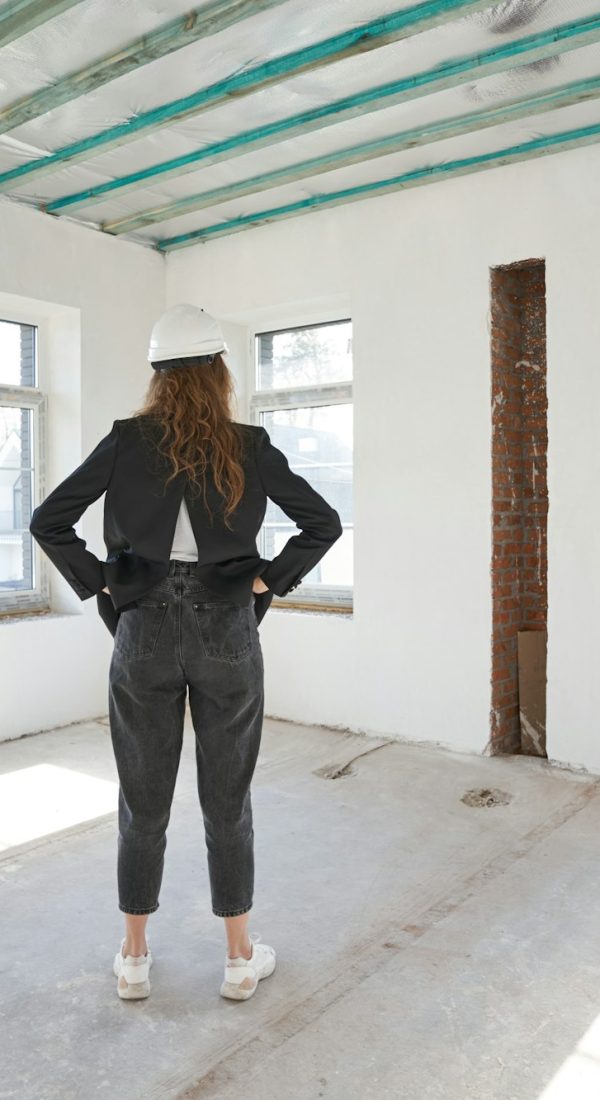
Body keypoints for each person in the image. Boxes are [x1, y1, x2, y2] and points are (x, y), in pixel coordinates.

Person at [29, 304, 343, 1002]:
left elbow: (47, 520)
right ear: (218, 373)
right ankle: (237, 958)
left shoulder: (125, 442)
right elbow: (323, 523)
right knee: (226, 801)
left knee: (142, 802)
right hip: (226, 630)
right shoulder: (249, 445)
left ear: (158, 377)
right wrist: (262, 582)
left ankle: (134, 956)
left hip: (142, 631)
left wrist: (106, 586)